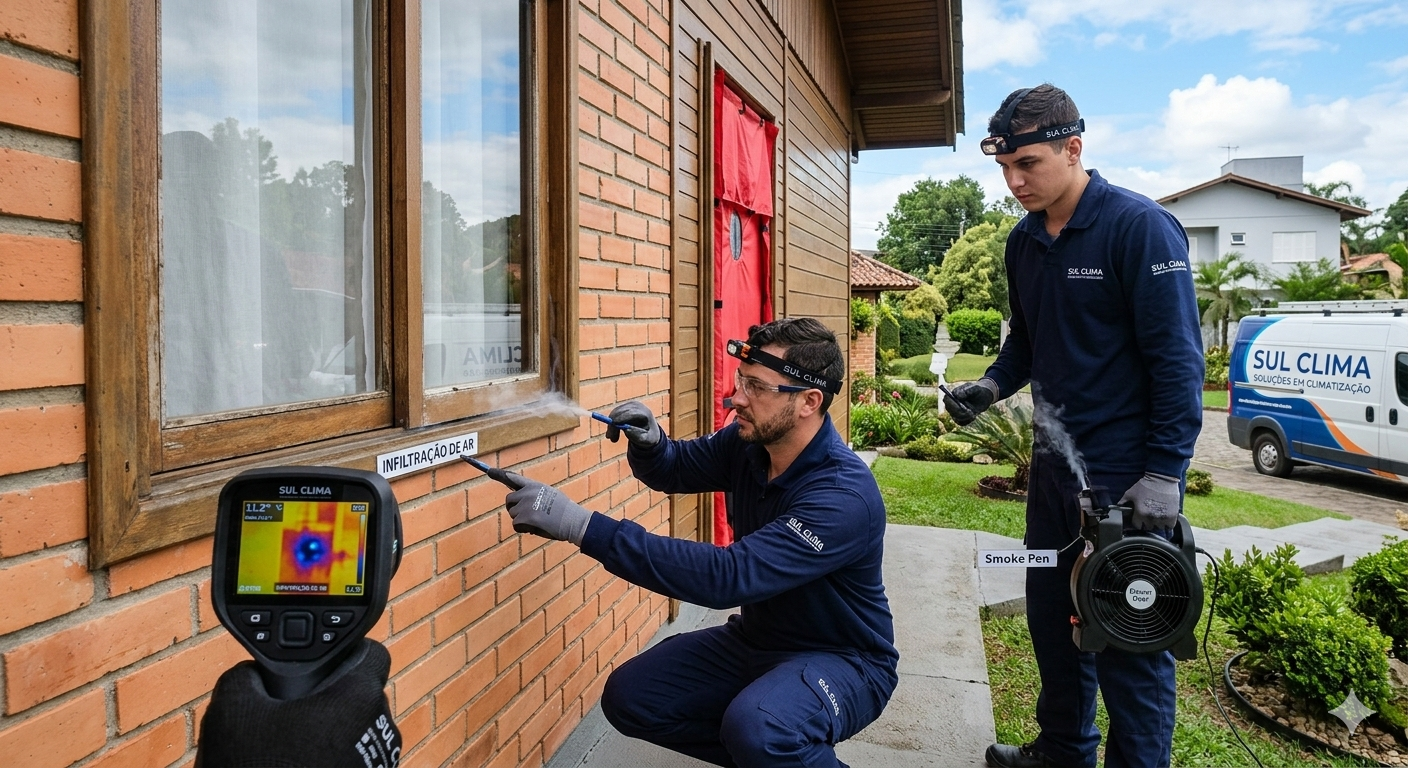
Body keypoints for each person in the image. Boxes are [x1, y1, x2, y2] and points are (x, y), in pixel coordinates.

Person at [495, 317, 897, 767]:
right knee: (634, 697)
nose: (736, 398)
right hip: (758, 642)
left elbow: (728, 577)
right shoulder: (749, 446)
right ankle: (770, 754)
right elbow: (678, 467)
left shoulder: (843, 497)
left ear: (809, 401)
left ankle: (771, 745)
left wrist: (580, 525)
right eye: (741, 381)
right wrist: (652, 444)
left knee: (762, 728)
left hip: (846, 662)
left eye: (757, 388)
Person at [944, 85, 1202, 768]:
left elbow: (1178, 360)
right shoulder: (1024, 242)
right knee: (1052, 623)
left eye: (1027, 163)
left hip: (1127, 482)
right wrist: (988, 387)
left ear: (1073, 147)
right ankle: (1063, 751)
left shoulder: (1138, 227)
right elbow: (1024, 346)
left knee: (1126, 641)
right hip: (1055, 477)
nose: (1014, 181)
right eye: (1004, 168)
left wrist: (1165, 472)